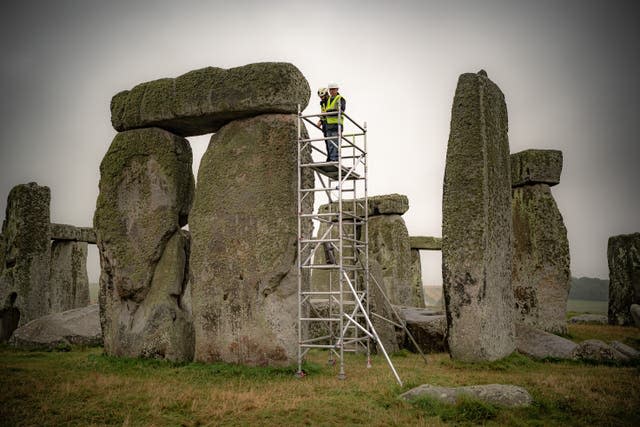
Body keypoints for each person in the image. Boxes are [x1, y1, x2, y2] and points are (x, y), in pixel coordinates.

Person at [324, 83, 346, 162]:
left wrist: (330, 111)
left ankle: (335, 160)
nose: (331, 91)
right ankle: (331, 159)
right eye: (330, 89)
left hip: (337, 125)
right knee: (330, 144)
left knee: (335, 143)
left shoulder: (340, 98)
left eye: (333, 89)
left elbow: (341, 110)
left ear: (337, 89)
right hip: (329, 125)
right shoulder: (329, 100)